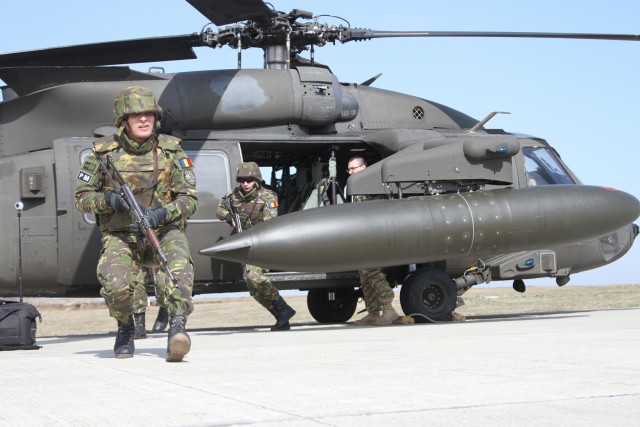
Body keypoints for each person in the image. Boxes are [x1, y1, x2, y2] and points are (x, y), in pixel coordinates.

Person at [74, 86, 198, 361]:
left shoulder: (171, 150)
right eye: (136, 115)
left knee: (177, 270)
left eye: (149, 115)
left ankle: (177, 329)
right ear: (123, 119)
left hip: (163, 230)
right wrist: (110, 201)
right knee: (116, 285)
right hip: (121, 234)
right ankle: (126, 327)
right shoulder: (102, 153)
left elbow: (189, 199)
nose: (144, 120)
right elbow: (82, 198)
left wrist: (160, 215)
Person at [216, 162, 296, 331]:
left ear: (257, 180)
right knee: (252, 285)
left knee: (253, 275)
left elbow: (270, 224)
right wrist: (228, 216)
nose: (245, 183)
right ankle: (281, 317)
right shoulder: (234, 195)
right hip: (245, 245)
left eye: (250, 180)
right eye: (242, 180)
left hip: (264, 243)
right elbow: (219, 209)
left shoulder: (267, 197)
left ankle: (284, 308)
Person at [347, 156, 399, 326]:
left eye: (354, 168)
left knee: (372, 272)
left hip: (375, 236)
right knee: (364, 274)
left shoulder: (372, 183)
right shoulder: (357, 186)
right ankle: (373, 313)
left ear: (364, 167)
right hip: (363, 237)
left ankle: (389, 309)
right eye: (349, 169)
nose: (351, 172)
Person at [132, 267, 170, 339]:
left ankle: (164, 309)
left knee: (162, 282)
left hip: (161, 261)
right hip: (142, 261)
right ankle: (139, 325)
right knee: (137, 283)